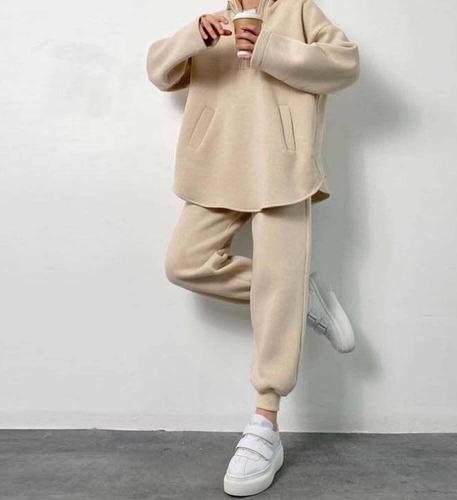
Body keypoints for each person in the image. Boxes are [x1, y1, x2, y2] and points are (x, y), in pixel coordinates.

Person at [146, 0, 359, 495]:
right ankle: (299, 296)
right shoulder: (213, 23)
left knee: (280, 280)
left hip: (283, 168)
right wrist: (193, 37)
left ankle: (265, 423)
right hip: (217, 165)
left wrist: (267, 47)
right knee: (185, 262)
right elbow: (159, 70)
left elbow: (344, 63)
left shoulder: (300, 10)